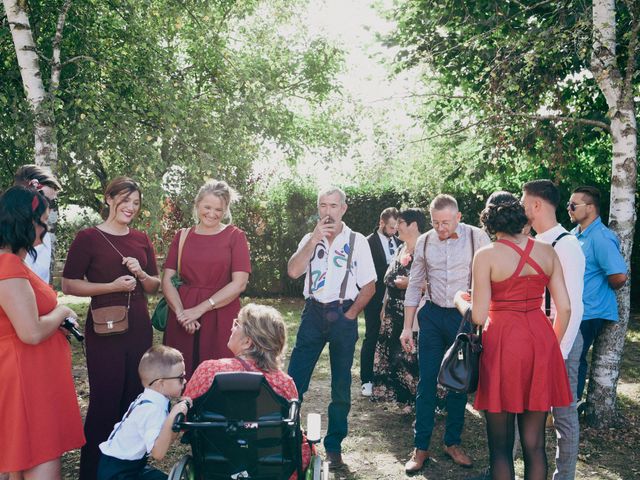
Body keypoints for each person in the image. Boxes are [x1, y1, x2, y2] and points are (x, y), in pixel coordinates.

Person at [459, 191, 573, 480]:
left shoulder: (486, 255)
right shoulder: (547, 251)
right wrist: (550, 348)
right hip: (539, 338)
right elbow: (566, 308)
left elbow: (478, 315)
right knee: (535, 445)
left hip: (503, 342)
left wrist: (460, 301)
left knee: (500, 447)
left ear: (490, 223)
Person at [62, 177, 161, 480]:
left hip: (139, 328)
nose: (130, 207)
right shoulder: (88, 238)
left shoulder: (142, 239)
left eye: (136, 202)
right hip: (105, 331)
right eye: (125, 200)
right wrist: (111, 286)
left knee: (135, 399)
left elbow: (154, 286)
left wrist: (141, 273)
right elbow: (68, 284)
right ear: (108, 199)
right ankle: (93, 473)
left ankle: (128, 471)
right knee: (105, 403)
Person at [286, 187, 376, 468]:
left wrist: (349, 316)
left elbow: (370, 287)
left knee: (340, 384)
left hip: (343, 313)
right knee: (294, 380)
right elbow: (293, 271)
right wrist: (312, 240)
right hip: (313, 312)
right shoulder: (309, 239)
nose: (328, 211)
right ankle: (288, 439)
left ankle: (334, 445)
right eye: (323, 205)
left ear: (343, 209)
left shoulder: (357, 241)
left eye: (333, 206)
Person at [400, 194, 490, 473]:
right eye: (436, 222)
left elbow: (491, 279)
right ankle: (421, 447)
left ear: (459, 217)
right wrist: (407, 326)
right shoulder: (425, 241)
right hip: (433, 316)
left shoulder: (478, 239)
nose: (440, 228)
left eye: (446, 223)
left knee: (458, 381)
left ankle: (452, 442)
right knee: (426, 382)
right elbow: (415, 284)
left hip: (463, 319)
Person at [0, 186, 85, 478]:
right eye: (42, 221)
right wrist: (61, 312)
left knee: (22, 465)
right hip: (25, 380)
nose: (45, 229)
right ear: (24, 221)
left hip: (31, 376)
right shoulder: (8, 266)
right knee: (38, 456)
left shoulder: (12, 263)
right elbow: (31, 332)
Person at [183, 303, 310, 479]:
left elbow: (186, 421)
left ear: (248, 341)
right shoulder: (283, 383)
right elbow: (290, 432)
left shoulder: (208, 371)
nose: (231, 327)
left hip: (216, 466)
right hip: (270, 468)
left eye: (237, 324)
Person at [522, 180, 585, 480]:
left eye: (523, 205)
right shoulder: (533, 243)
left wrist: (557, 353)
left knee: (563, 415)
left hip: (562, 341)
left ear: (536, 205)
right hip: (536, 340)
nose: (521, 211)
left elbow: (572, 307)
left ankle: (564, 476)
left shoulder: (567, 245)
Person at [162, 180, 251, 377]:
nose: (212, 213)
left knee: (219, 376)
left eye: (219, 209)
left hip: (221, 315)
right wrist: (181, 314)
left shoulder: (235, 236)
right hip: (182, 315)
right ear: (197, 204)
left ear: (226, 209)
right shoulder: (182, 236)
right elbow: (167, 279)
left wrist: (200, 309)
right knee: (179, 376)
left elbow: (240, 283)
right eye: (207, 207)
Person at [568, 186, 628, 401]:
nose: (569, 208)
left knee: (575, 358)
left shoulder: (601, 237)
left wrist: (597, 288)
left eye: (573, 205)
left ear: (591, 208)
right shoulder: (574, 235)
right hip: (573, 309)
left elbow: (619, 276)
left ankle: (570, 406)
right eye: (568, 204)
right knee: (567, 357)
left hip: (591, 311)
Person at [97, 345, 191, 480]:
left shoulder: (153, 399)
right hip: (118, 473)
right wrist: (174, 414)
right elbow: (158, 453)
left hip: (126, 465)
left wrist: (177, 416)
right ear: (161, 383)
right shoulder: (152, 410)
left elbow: (168, 435)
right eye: (180, 377)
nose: (185, 381)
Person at [371, 208, 426, 407]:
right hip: (392, 312)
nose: (397, 227)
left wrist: (410, 283)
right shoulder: (402, 248)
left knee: (409, 357)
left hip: (412, 314)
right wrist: (384, 305)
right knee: (392, 355)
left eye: (401, 223)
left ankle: (415, 400)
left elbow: (435, 284)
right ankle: (397, 398)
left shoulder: (425, 249)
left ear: (413, 225)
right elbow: (389, 280)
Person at [361, 207, 400, 397]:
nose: (394, 231)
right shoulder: (368, 243)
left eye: (396, 228)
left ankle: (388, 377)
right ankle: (366, 379)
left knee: (393, 336)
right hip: (374, 296)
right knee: (372, 334)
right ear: (381, 223)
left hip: (395, 297)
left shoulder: (401, 243)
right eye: (391, 227)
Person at [13, 164, 63, 283]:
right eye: (45, 200)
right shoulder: (8, 233)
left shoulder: (43, 235)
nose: (49, 208)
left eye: (53, 203)